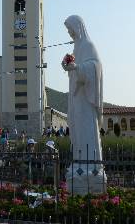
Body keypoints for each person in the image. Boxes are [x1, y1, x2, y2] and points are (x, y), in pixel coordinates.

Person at [62, 15, 105, 194]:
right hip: (77, 98)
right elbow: (76, 69)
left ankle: (92, 169)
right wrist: (68, 67)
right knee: (78, 132)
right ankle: (79, 164)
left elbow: (96, 67)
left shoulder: (88, 46)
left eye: (70, 28)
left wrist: (77, 68)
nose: (69, 32)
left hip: (86, 100)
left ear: (78, 27)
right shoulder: (76, 47)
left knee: (87, 131)